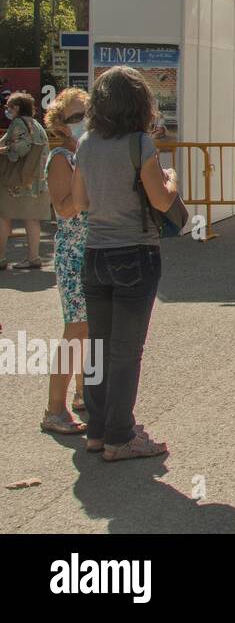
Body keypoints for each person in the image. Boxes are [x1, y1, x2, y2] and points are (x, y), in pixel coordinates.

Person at [70, 67, 179, 461]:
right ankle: (121, 434)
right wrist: (172, 179)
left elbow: (79, 203)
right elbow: (162, 201)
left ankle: (97, 430)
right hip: (135, 252)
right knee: (126, 350)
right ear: (139, 102)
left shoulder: (86, 143)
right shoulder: (140, 144)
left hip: (95, 253)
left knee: (98, 347)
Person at [40, 89, 90, 435]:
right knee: (76, 330)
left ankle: (85, 396)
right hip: (74, 255)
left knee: (93, 330)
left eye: (86, 114)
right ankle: (54, 409)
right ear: (60, 123)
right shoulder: (61, 158)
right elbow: (66, 207)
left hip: (94, 250)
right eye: (75, 117)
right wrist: (85, 170)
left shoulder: (86, 154)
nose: (82, 121)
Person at [0, 92, 51, 270]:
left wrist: (5, 150)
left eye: (10, 107)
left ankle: (0, 257)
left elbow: (20, 148)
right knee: (32, 219)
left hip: (17, 180)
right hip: (36, 179)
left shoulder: (18, 123)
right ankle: (33, 257)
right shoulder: (36, 124)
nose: (7, 110)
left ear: (18, 107)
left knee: (4, 216)